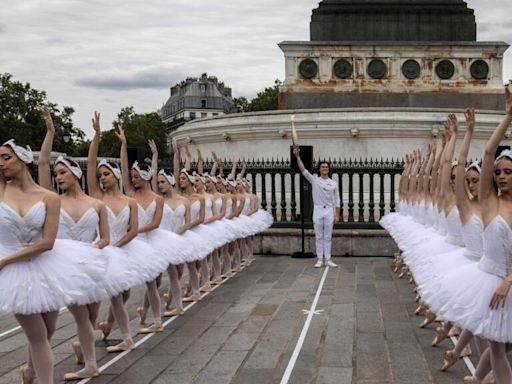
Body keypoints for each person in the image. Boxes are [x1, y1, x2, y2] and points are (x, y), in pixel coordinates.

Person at [292, 147, 340, 267]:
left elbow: (338, 200)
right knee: (319, 236)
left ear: (329, 170)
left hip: (329, 210)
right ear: (319, 169)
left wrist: (337, 214)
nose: (324, 168)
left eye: (326, 167)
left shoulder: (333, 183)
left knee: (328, 236)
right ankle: (320, 258)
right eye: (322, 167)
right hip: (318, 210)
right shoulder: (314, 180)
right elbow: (303, 170)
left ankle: (328, 259)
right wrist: (297, 156)